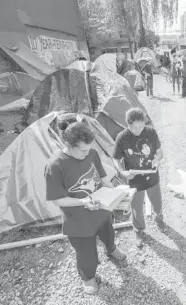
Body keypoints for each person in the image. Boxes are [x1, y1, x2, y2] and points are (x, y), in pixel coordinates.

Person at [44, 116, 126, 294]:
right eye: (82, 150)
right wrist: (82, 202)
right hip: (78, 219)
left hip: (101, 209)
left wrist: (118, 191)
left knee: (108, 232)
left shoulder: (92, 153)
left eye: (89, 149)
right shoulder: (55, 165)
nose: (87, 153)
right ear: (68, 144)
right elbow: (57, 199)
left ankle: (111, 249)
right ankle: (88, 277)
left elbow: (103, 179)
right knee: (86, 252)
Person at [112, 108, 164, 247]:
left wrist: (158, 159)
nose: (138, 130)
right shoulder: (122, 137)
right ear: (127, 124)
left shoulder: (150, 132)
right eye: (134, 127)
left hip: (152, 175)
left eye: (141, 126)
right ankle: (139, 230)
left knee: (157, 202)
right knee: (136, 207)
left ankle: (159, 220)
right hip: (134, 179)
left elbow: (159, 152)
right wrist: (123, 172)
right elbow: (116, 159)